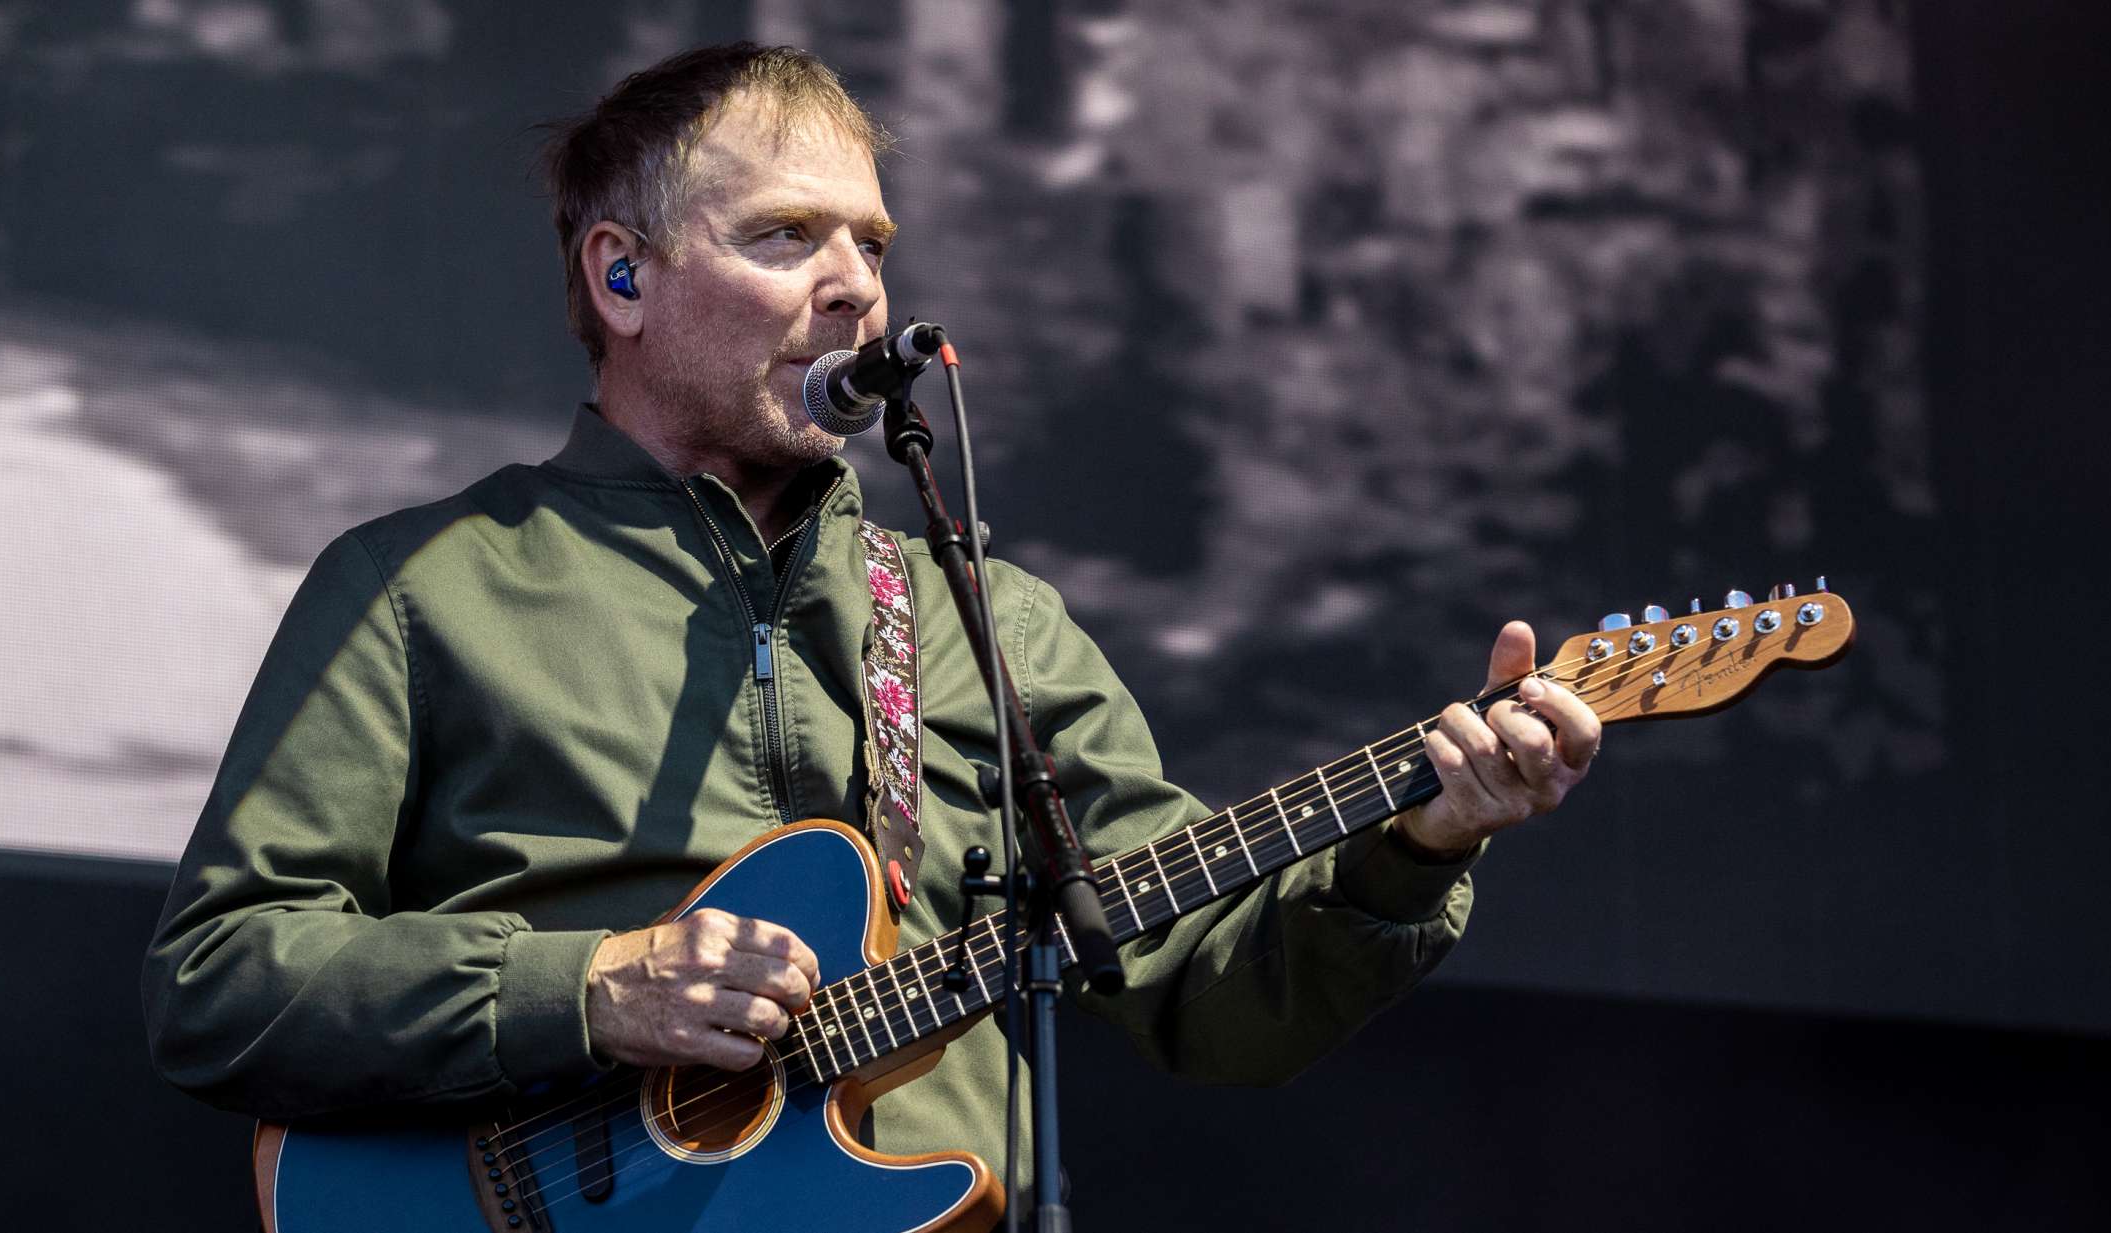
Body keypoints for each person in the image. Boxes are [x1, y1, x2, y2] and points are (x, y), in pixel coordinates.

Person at [143, 42, 1600, 1209]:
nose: (855, 284)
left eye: (872, 241)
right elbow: (218, 980)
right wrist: (587, 988)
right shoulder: (427, 585)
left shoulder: (989, 622)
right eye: (786, 236)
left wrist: (1417, 849)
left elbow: (1218, 1004)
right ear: (623, 276)